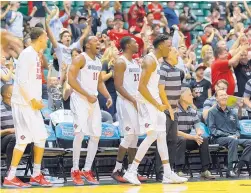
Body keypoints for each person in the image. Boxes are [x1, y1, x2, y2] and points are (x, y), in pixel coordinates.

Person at [123, 35, 187, 185]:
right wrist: (157, 104)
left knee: (161, 137)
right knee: (152, 135)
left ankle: (167, 173)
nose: (170, 49)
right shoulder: (149, 60)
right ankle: (131, 171)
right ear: (160, 46)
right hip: (147, 103)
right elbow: (141, 87)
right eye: (169, 46)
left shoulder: (156, 62)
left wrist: (159, 103)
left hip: (155, 103)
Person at [3, 27, 52, 188]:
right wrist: (32, 100)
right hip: (24, 104)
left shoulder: (36, 56)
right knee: (23, 140)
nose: (47, 40)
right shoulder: (27, 55)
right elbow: (22, 81)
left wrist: (36, 101)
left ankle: (36, 174)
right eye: (45, 37)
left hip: (31, 105)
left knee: (40, 137)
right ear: (39, 38)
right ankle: (11, 177)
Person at [68, 36, 113, 186]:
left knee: (95, 135)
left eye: (100, 42)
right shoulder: (80, 59)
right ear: (87, 45)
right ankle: (75, 169)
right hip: (80, 99)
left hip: (92, 100)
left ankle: (86, 169)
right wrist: (87, 95)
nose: (99, 43)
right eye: (95, 41)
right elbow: (70, 80)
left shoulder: (98, 61)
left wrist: (107, 96)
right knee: (80, 134)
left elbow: (99, 82)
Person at [111, 36, 147, 182]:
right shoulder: (121, 62)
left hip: (135, 101)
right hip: (125, 102)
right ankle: (117, 169)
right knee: (128, 136)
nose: (136, 44)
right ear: (126, 46)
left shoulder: (135, 62)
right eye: (133, 42)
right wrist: (132, 99)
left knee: (135, 138)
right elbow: (118, 86)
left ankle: (132, 171)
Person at [208, 89, 251, 177]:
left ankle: (238, 167)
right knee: (232, 141)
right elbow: (212, 130)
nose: (224, 97)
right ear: (216, 98)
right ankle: (230, 169)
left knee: (249, 142)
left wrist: (237, 136)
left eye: (225, 95)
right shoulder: (212, 112)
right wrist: (228, 135)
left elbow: (238, 129)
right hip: (218, 139)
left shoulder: (233, 112)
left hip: (233, 138)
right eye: (221, 95)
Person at [175, 87, 214, 179]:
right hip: (175, 138)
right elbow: (175, 132)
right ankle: (178, 170)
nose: (192, 96)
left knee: (203, 139)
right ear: (182, 97)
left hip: (188, 138)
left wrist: (199, 133)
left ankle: (205, 170)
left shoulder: (193, 111)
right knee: (181, 139)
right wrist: (193, 137)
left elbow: (197, 126)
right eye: (189, 95)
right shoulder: (175, 110)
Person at [156, 47, 182, 180]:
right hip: (164, 110)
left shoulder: (177, 70)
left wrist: (175, 107)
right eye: (175, 52)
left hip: (174, 110)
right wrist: (169, 108)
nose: (178, 54)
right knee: (162, 141)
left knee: (173, 141)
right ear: (168, 55)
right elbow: (160, 90)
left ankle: (170, 171)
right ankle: (160, 172)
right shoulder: (163, 68)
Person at [98, 46, 119, 120]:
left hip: (116, 93)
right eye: (116, 50)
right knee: (110, 116)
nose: (118, 51)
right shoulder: (105, 63)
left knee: (117, 116)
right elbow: (102, 78)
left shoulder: (118, 64)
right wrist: (111, 73)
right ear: (111, 52)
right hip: (107, 94)